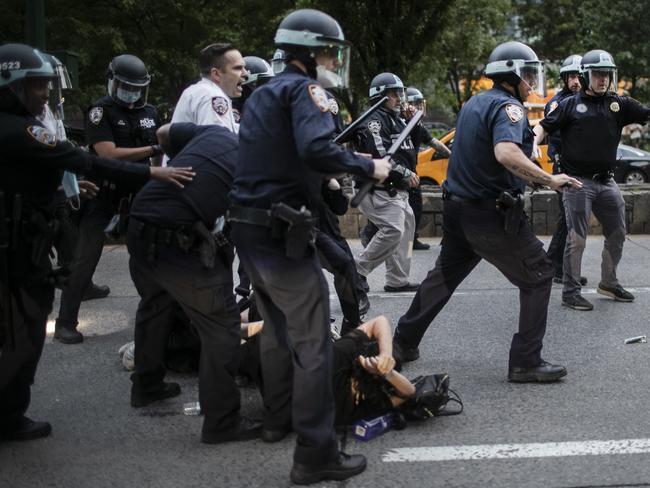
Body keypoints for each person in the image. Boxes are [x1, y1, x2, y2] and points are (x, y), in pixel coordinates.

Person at [228, 8, 391, 485]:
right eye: (328, 50)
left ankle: (277, 420)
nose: (331, 59)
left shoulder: (261, 94)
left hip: (249, 232)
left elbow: (283, 154)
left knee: (277, 333)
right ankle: (315, 453)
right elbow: (315, 150)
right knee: (314, 344)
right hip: (282, 236)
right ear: (311, 51)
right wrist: (370, 167)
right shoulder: (306, 91)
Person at [0, 43, 193, 441]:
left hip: (37, 232)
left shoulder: (147, 113)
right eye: (35, 86)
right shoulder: (25, 127)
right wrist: (152, 172)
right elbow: (91, 156)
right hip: (27, 242)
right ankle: (9, 411)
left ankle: (10, 413)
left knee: (27, 326)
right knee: (26, 328)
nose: (44, 94)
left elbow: (34, 174)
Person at [392, 41, 581, 383]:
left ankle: (402, 343)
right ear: (511, 76)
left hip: (458, 209)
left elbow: (484, 156)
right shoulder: (510, 108)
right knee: (539, 273)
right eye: (527, 75)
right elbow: (506, 153)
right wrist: (549, 179)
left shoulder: (474, 103)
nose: (530, 83)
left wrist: (527, 178)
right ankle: (526, 361)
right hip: (489, 215)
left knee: (443, 278)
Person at [126, 121, 261, 442]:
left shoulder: (213, 133)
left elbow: (162, 132)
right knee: (222, 326)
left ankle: (147, 385)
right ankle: (222, 422)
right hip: (178, 240)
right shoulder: (256, 163)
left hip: (140, 224)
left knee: (156, 303)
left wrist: (177, 163)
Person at [53, 53, 163, 344]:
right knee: (85, 258)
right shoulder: (100, 112)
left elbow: (164, 152)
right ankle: (66, 323)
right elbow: (107, 154)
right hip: (104, 193)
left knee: (145, 257)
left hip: (140, 194)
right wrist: (151, 150)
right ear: (113, 83)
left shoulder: (151, 112)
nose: (132, 93)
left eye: (137, 88)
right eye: (126, 87)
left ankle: (159, 316)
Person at [534, 49, 650, 311]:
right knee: (577, 239)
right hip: (576, 182)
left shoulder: (618, 104)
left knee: (618, 232)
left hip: (607, 181)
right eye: (597, 74)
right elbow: (544, 125)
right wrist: (532, 142)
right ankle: (571, 292)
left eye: (606, 74)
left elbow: (646, 113)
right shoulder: (569, 105)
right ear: (586, 77)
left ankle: (609, 282)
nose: (603, 79)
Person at [354, 72, 419, 293]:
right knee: (393, 230)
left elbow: (409, 149)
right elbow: (381, 155)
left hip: (398, 191)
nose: (400, 98)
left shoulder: (396, 118)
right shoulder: (374, 120)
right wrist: (403, 173)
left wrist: (413, 123)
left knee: (406, 232)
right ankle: (357, 271)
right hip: (379, 189)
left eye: (400, 92)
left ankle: (397, 280)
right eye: (394, 94)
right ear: (381, 96)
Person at [542, 55, 587, 285]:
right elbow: (556, 135)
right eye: (572, 76)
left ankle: (559, 267)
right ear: (564, 78)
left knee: (571, 219)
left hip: (581, 168)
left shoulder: (585, 99)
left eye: (580, 76)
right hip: (564, 167)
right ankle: (555, 266)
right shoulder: (557, 102)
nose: (576, 81)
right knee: (569, 219)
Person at [405, 86, 451, 251]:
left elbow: (435, 143)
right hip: (398, 172)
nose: (417, 108)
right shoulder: (398, 125)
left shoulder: (418, 126)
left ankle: (412, 239)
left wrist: (452, 156)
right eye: (413, 104)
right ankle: (372, 233)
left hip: (412, 173)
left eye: (419, 104)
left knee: (416, 206)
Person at [169, 43, 246, 132]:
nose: (245, 74)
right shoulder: (213, 96)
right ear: (216, 74)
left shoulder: (199, 91)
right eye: (238, 68)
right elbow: (216, 140)